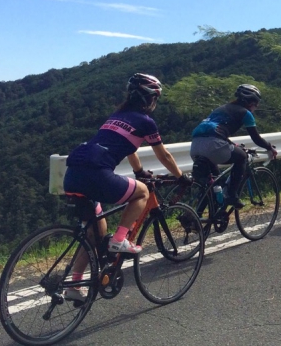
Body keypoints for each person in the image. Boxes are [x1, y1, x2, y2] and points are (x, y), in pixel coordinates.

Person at [63, 73, 189, 266]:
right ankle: (120, 239)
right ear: (150, 98)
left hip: (72, 174)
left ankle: (75, 284)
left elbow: (130, 147)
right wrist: (180, 176)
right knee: (142, 193)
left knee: (95, 232)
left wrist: (139, 171)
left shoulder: (116, 116)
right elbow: (164, 155)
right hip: (97, 173)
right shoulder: (146, 121)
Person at [190, 84, 277, 208]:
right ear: (250, 102)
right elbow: (256, 138)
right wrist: (269, 147)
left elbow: (215, 130)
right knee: (242, 157)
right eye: (256, 103)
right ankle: (232, 195)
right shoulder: (245, 113)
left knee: (214, 183)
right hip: (214, 146)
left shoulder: (222, 108)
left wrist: (231, 144)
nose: (256, 106)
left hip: (195, 146)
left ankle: (197, 216)